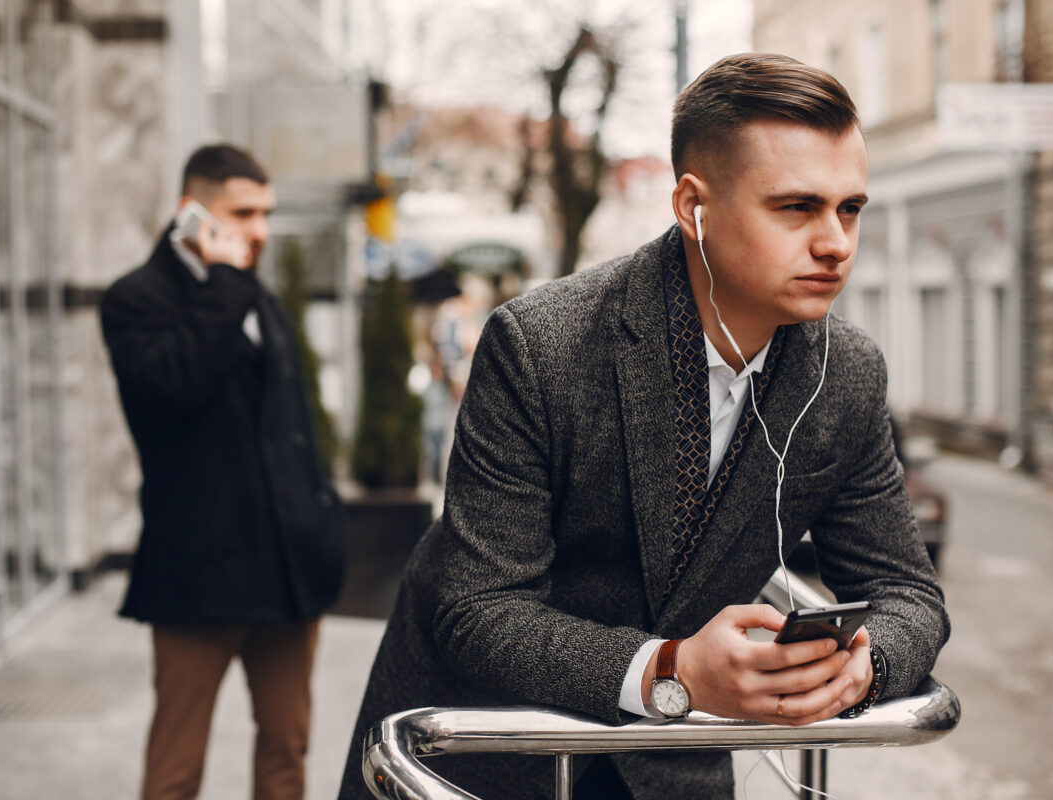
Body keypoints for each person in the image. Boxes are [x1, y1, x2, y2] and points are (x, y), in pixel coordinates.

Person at [337, 53, 949, 800]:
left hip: (672, 765)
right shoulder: (541, 345)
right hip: (492, 749)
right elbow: (477, 609)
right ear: (692, 206)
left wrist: (867, 663)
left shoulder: (846, 373)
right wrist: (674, 670)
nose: (836, 242)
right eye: (796, 207)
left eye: (849, 208)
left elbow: (908, 593)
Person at [101, 143, 346, 800]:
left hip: (286, 574)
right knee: (177, 768)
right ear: (191, 214)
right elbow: (173, 386)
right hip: (196, 576)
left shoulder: (257, 296)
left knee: (286, 751)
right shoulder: (135, 298)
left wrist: (324, 528)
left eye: (266, 212)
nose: (261, 230)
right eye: (242, 213)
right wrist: (226, 283)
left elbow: (291, 428)